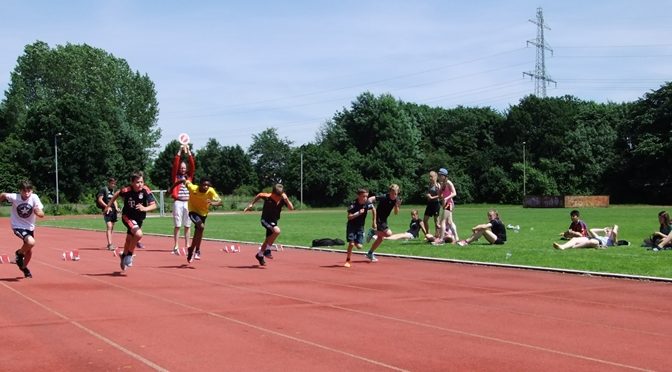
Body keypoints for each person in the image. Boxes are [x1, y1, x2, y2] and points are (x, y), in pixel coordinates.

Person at [105, 171, 157, 271]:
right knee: (138, 234)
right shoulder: (127, 190)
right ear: (132, 182)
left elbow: (154, 205)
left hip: (139, 219)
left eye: (142, 182)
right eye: (137, 182)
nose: (140, 184)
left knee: (129, 240)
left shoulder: (145, 190)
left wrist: (144, 208)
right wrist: (108, 206)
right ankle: (129, 255)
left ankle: (123, 255)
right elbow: (116, 194)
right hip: (127, 217)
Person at [0, 180, 45, 278]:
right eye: (24, 191)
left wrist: (38, 213)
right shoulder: (15, 197)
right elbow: (3, 195)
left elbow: (42, 214)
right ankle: (19, 254)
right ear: (20, 191)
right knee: (31, 242)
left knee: (29, 251)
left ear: (32, 191)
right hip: (17, 226)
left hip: (30, 227)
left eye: (29, 190)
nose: (27, 193)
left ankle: (24, 268)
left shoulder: (34, 197)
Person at [244, 184, 294, 266]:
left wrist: (286, 199)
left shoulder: (282, 198)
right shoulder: (267, 196)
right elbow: (259, 195)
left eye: (280, 196)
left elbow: (291, 208)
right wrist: (251, 204)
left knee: (268, 239)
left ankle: (260, 255)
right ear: (272, 194)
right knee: (277, 231)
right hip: (265, 220)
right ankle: (267, 250)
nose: (278, 198)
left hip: (274, 221)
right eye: (276, 197)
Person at [183, 178, 222, 263]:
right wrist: (172, 188)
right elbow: (184, 181)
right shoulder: (193, 188)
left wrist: (212, 203)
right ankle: (197, 250)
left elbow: (220, 202)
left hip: (203, 214)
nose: (206, 187)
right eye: (204, 185)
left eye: (208, 185)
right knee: (201, 227)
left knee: (199, 231)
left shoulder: (211, 191)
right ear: (200, 184)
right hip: (193, 211)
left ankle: (191, 249)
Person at [365, 184, 401, 262]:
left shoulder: (396, 200)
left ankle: (370, 253)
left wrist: (397, 206)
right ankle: (373, 232)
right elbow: (370, 198)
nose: (394, 195)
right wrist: (370, 206)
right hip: (378, 218)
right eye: (392, 193)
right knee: (389, 234)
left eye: (396, 193)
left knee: (380, 238)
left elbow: (396, 213)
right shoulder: (384, 197)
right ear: (390, 192)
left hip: (384, 219)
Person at [170, 144, 195, 254]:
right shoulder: (176, 177)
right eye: (181, 168)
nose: (183, 169)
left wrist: (189, 151)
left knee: (188, 225)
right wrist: (180, 150)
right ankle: (176, 245)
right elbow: (175, 164)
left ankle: (187, 245)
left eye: (184, 168)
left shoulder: (189, 177)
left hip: (188, 203)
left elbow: (193, 165)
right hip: (178, 202)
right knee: (177, 225)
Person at [344, 188, 375, 267]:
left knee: (359, 247)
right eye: (364, 196)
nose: (365, 198)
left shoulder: (367, 203)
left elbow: (374, 209)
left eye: (367, 196)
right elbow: (349, 217)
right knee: (351, 244)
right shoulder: (353, 204)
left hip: (360, 226)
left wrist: (373, 221)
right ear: (359, 196)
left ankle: (369, 234)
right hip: (352, 226)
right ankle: (348, 260)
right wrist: (358, 213)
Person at [96, 177, 120, 250]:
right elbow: (99, 200)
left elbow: (114, 200)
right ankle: (110, 244)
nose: (113, 185)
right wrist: (107, 206)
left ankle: (110, 243)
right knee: (109, 226)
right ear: (109, 183)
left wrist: (116, 207)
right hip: (107, 210)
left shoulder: (113, 190)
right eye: (112, 183)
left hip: (113, 211)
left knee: (112, 227)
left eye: (114, 184)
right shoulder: (104, 189)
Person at [436, 168, 459, 244]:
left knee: (442, 220)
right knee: (449, 222)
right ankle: (456, 238)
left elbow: (454, 193)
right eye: (438, 175)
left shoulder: (448, 183)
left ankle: (441, 239)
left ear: (444, 176)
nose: (439, 176)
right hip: (445, 204)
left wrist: (446, 198)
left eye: (440, 175)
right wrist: (439, 193)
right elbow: (440, 194)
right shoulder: (442, 184)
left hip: (449, 204)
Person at [553, 225, 619, 250]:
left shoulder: (613, 240)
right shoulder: (600, 236)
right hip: (593, 239)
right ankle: (562, 246)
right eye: (607, 231)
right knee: (574, 239)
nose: (607, 231)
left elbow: (615, 232)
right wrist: (602, 229)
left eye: (609, 231)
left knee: (592, 241)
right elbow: (590, 230)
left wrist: (614, 227)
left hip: (597, 242)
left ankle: (571, 247)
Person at [422, 171, 442, 237]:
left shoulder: (438, 185)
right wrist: (428, 195)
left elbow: (441, 195)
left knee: (436, 221)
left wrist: (432, 197)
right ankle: (428, 234)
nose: (430, 178)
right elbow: (428, 192)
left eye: (431, 176)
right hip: (430, 204)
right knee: (425, 220)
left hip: (436, 204)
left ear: (435, 177)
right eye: (429, 176)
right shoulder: (430, 185)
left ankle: (437, 235)